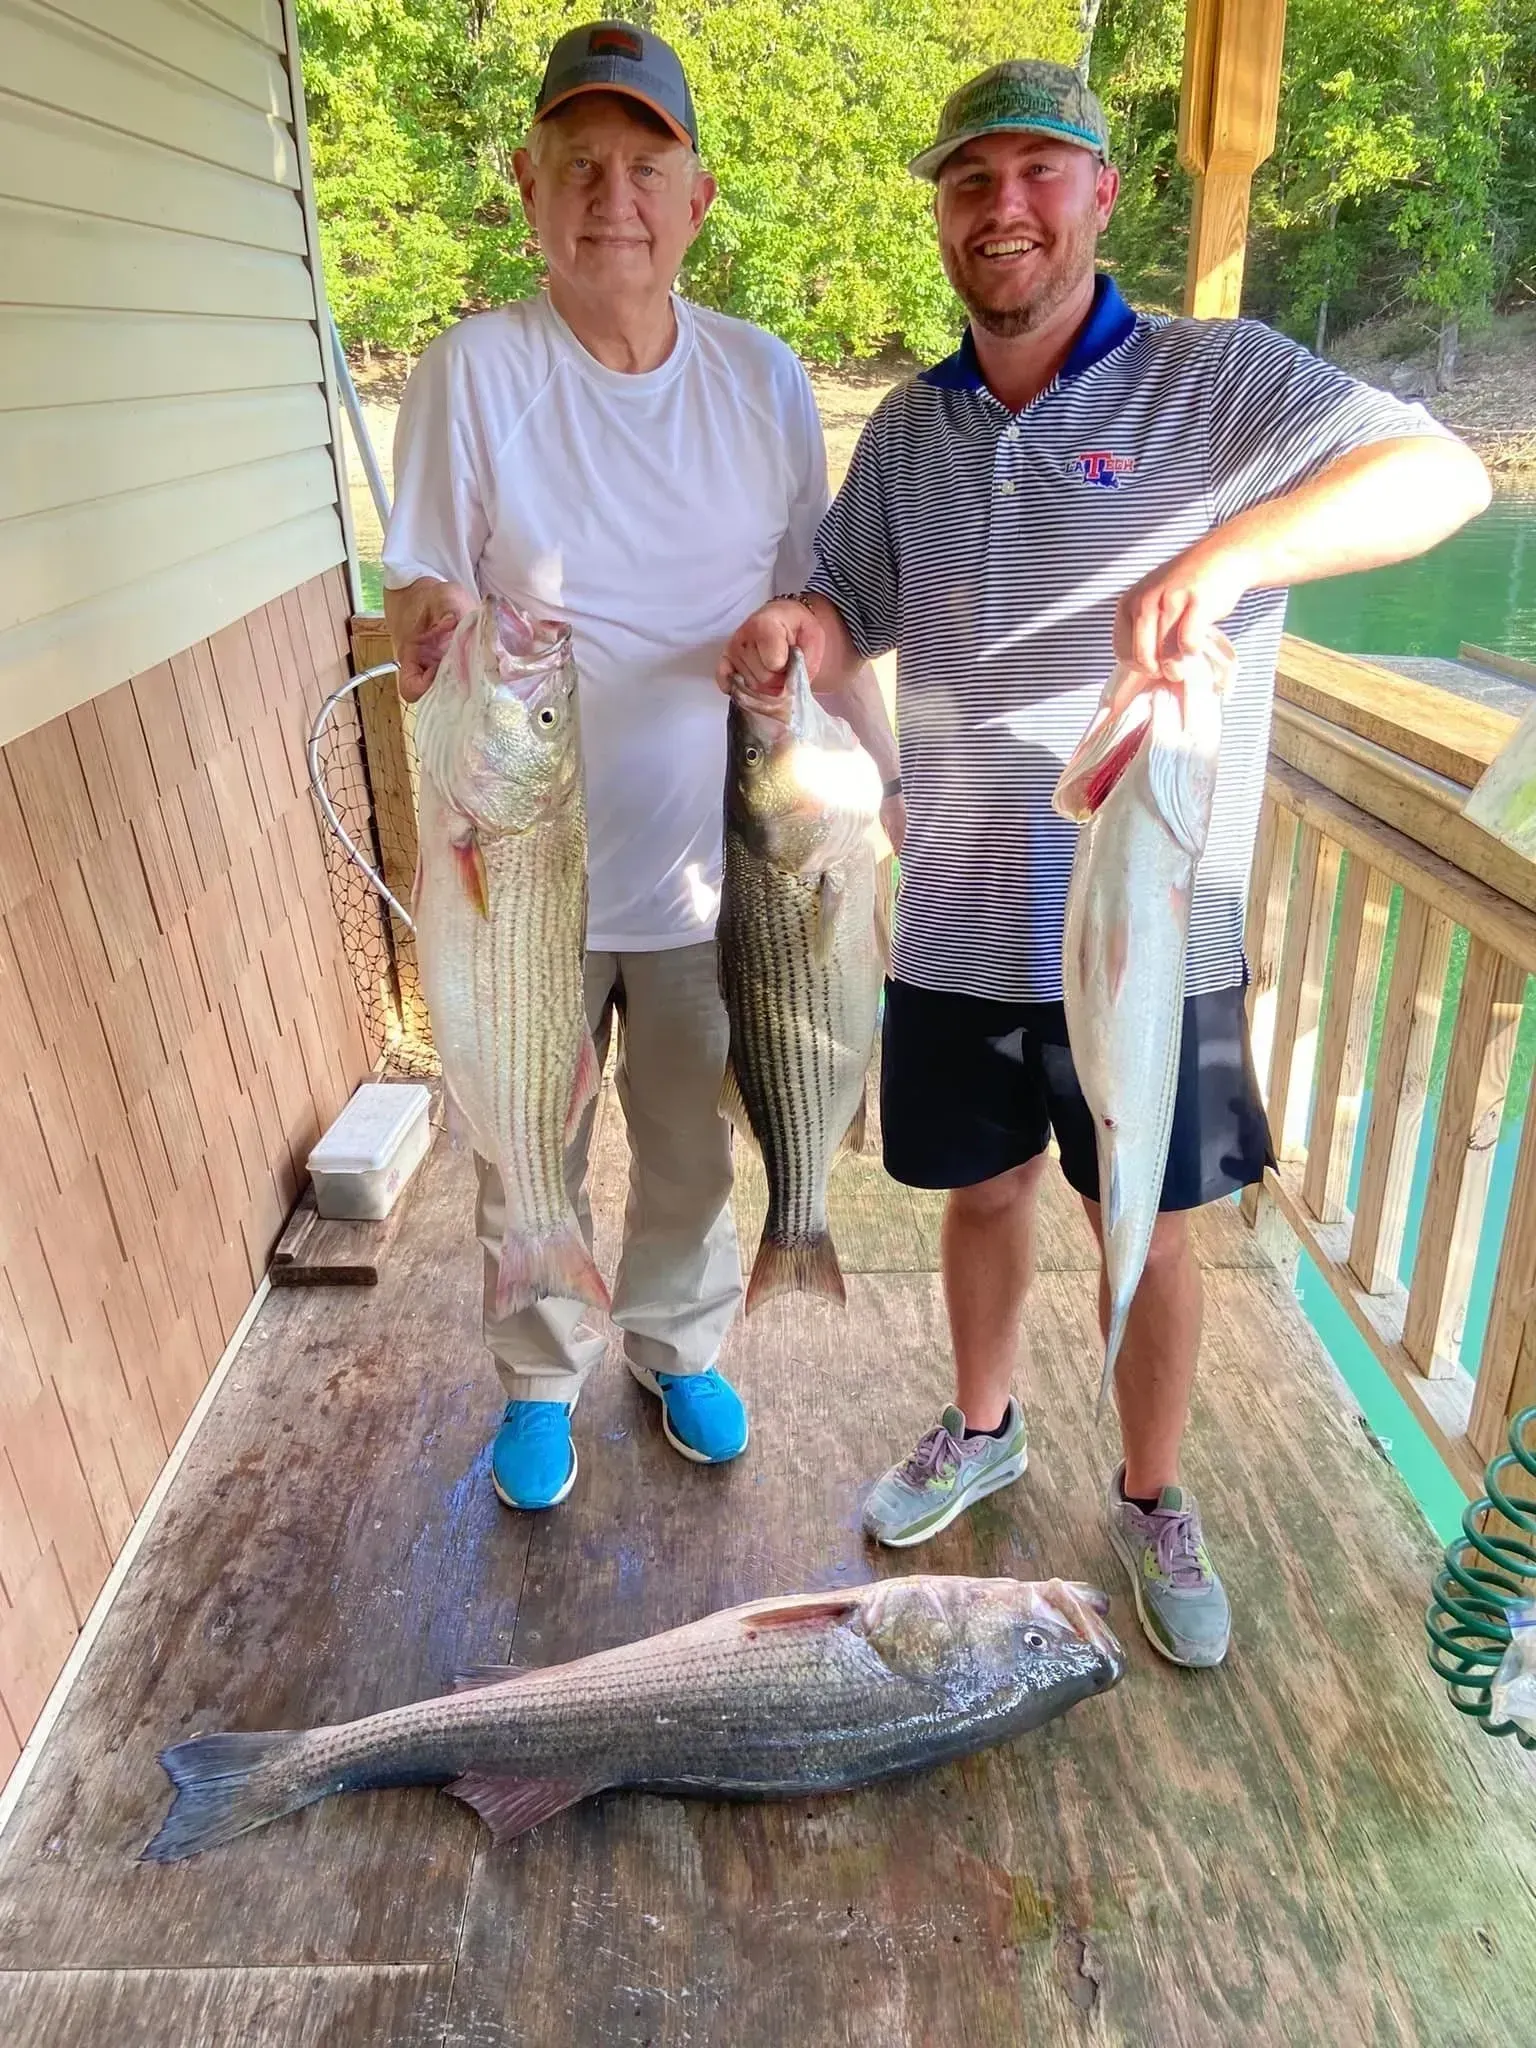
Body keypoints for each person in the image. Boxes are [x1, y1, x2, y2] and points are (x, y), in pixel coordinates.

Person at [720, 60, 1491, 1667]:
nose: (1003, 207)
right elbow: (848, 602)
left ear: (1102, 194)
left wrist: (1221, 559)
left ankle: (1152, 1494)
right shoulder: (911, 434)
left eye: (1038, 172)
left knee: (1145, 1207)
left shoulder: (1223, 383)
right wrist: (802, 627)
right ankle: (984, 1422)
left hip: (1160, 933)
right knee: (985, 1193)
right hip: (951, 914)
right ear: (941, 214)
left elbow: (1442, 477)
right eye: (969, 181)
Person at [382, 22, 831, 1511]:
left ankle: (675, 1340)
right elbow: (419, 593)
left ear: (698, 198)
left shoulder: (766, 381)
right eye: (579, 165)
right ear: (527, 186)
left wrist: (813, 683)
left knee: (692, 1144)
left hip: (718, 865)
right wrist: (442, 621)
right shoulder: (472, 370)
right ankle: (535, 1369)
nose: (611, 196)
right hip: (520, 871)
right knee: (528, 1136)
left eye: (647, 166)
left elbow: (812, 610)